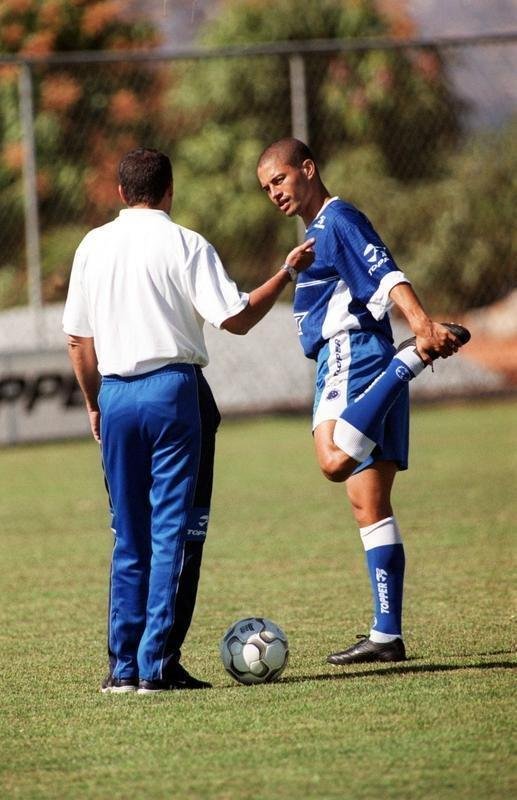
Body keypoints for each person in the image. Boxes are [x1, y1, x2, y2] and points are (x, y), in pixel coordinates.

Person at [63, 147, 315, 693]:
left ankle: (122, 669)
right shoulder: (185, 243)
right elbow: (236, 319)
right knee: (172, 533)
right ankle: (156, 667)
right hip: (172, 393)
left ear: (121, 193)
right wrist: (285, 273)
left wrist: (94, 403)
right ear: (170, 191)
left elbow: (79, 341)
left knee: (128, 534)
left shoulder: (92, 246)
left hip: (115, 393)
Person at [256, 138, 470, 665]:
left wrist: (421, 329)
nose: (274, 193)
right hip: (365, 358)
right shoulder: (316, 233)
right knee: (368, 504)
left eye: (279, 179)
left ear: (308, 169)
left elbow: (387, 271)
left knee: (333, 460)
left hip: (353, 354)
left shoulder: (337, 220)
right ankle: (386, 635)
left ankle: (409, 362)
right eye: (266, 188)